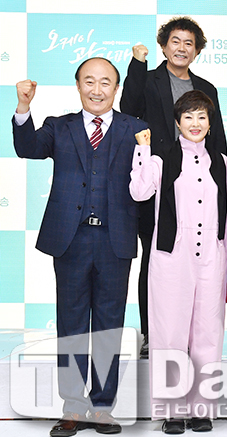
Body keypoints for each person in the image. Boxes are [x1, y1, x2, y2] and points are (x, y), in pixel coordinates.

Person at [12, 57, 147, 436]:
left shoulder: (137, 129)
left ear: (116, 88)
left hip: (115, 239)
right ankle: (73, 406)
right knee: (71, 325)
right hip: (71, 239)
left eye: (105, 82)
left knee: (109, 325)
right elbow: (28, 148)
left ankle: (102, 408)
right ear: (77, 85)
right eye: (89, 81)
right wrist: (23, 107)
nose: (96, 89)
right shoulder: (59, 126)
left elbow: (149, 180)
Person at [120, 16, 227, 358]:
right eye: (175, 41)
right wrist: (137, 64)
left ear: (197, 51)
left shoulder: (207, 87)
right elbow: (128, 108)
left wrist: (221, 173)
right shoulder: (149, 79)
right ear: (164, 46)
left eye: (189, 43)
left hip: (197, 181)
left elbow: (216, 137)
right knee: (157, 256)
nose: (182, 48)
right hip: (158, 179)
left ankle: (195, 337)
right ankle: (153, 332)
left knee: (199, 267)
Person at [129, 90, 227, 434]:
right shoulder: (161, 160)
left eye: (202, 116)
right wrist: (143, 150)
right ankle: (172, 410)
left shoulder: (222, 162)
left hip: (211, 255)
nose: (195, 123)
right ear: (177, 122)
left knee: (208, 332)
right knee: (169, 332)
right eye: (188, 116)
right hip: (173, 254)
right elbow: (139, 192)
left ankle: (202, 408)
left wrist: (224, 254)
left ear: (210, 123)